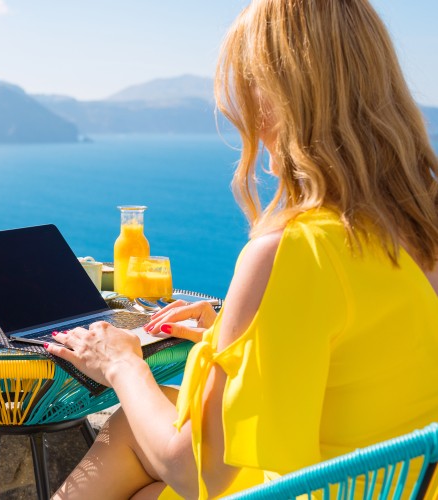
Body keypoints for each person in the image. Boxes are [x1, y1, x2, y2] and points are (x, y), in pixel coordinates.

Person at [46, 0, 438, 498]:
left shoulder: (294, 251)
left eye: (248, 84)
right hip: (396, 484)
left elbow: (195, 473)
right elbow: (375, 346)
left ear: (278, 96)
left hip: (322, 487)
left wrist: (120, 363)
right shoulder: (421, 220)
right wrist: (233, 328)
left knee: (133, 427)